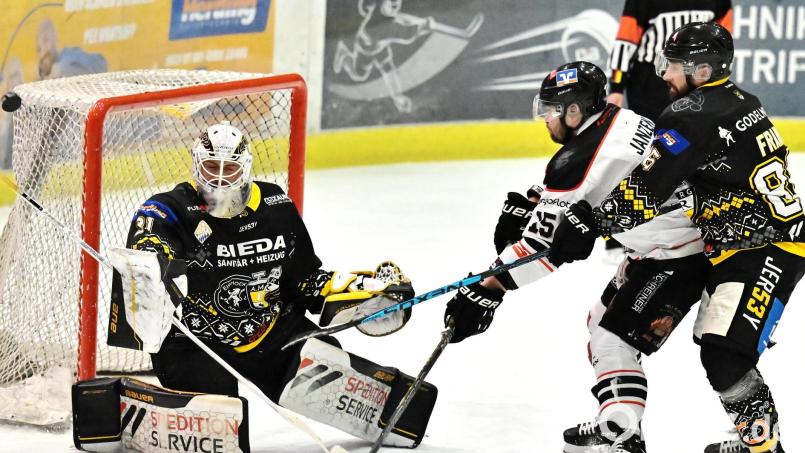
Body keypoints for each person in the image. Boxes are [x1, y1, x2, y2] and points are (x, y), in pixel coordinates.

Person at [550, 23, 802, 453]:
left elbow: (647, 188)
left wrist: (591, 222)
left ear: (702, 70)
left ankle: (765, 448)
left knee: (724, 353)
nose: (664, 74)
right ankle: (754, 440)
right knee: (713, 346)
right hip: (744, 245)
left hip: (765, 248)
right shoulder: (742, 100)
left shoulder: (692, 112)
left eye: (673, 66)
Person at [110, 121, 438, 448]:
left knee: (327, 363)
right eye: (212, 166)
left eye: (230, 167)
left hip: (271, 333)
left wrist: (354, 292)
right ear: (197, 164)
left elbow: (303, 279)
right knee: (215, 429)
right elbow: (146, 248)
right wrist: (157, 260)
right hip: (195, 342)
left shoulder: (275, 205)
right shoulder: (167, 208)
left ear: (246, 166)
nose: (221, 176)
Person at [445, 60, 708, 453]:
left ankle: (620, 432)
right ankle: (619, 428)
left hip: (675, 257)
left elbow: (541, 252)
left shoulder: (573, 165)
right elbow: (597, 179)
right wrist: (540, 199)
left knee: (611, 337)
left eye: (551, 110)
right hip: (679, 243)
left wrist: (486, 287)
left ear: (574, 111)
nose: (545, 119)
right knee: (602, 326)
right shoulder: (623, 118)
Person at [604, 0, 732, 259]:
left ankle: (684, 224)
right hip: (650, 84)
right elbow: (625, 43)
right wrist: (616, 88)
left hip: (695, 83)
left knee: (692, 154)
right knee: (647, 155)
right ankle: (619, 229)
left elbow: (723, 44)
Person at [607, 0, 732, 121]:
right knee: (655, 133)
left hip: (697, 77)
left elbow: (721, 41)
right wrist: (616, 88)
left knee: (693, 132)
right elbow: (625, 42)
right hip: (652, 79)